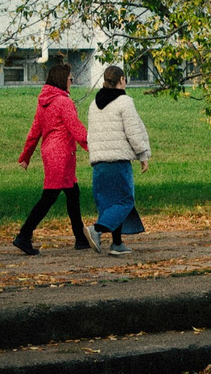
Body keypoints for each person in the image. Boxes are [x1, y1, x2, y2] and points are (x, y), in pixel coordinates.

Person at [14, 57, 90, 255]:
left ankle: (80, 238)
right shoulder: (64, 102)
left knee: (73, 193)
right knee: (49, 197)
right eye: (70, 79)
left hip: (50, 153)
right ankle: (23, 235)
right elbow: (77, 129)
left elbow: (34, 132)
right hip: (62, 154)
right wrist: (94, 147)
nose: (71, 82)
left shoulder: (44, 103)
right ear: (62, 79)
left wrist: (26, 155)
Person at [84, 64, 152, 256]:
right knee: (124, 201)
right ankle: (96, 230)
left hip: (99, 162)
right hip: (118, 160)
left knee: (109, 203)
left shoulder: (93, 104)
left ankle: (117, 243)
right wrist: (143, 154)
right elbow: (133, 132)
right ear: (121, 80)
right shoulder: (124, 102)